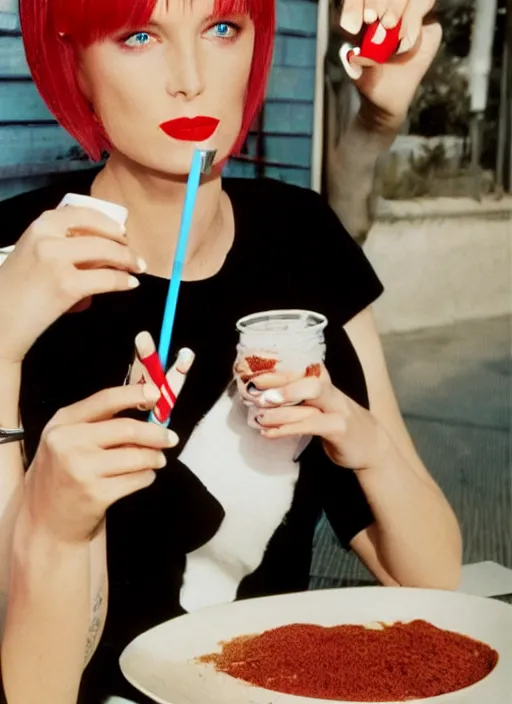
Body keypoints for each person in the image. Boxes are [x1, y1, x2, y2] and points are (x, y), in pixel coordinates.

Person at [0, 0, 462, 702]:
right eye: (139, 36)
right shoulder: (18, 268)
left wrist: (365, 443)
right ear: (74, 63)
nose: (190, 78)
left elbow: (435, 579)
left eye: (221, 29)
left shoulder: (301, 235)